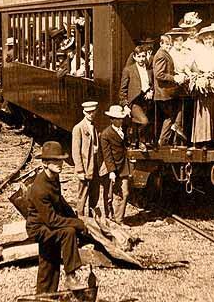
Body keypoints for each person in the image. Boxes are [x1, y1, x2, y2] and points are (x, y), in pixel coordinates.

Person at [26, 141, 89, 293]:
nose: (60, 163)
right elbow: (52, 220)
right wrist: (76, 224)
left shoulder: (53, 177)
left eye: (61, 160)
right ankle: (70, 275)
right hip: (39, 229)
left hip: (47, 225)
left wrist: (74, 217)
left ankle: (45, 295)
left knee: (49, 262)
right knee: (68, 232)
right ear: (45, 163)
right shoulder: (40, 188)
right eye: (55, 160)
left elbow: (60, 200)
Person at [99, 105, 130, 224]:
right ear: (111, 119)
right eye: (117, 119)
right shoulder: (106, 134)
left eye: (121, 118)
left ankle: (119, 219)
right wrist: (111, 171)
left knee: (125, 192)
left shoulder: (123, 130)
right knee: (112, 195)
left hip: (123, 166)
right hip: (113, 167)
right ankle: (109, 218)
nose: (120, 121)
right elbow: (107, 155)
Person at [153, 34, 186, 146]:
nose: (168, 47)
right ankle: (163, 140)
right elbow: (159, 74)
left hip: (166, 92)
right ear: (161, 43)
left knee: (173, 113)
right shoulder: (161, 55)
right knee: (170, 116)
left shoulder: (163, 54)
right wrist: (174, 78)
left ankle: (172, 131)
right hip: (164, 93)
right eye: (166, 44)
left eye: (169, 45)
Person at [120, 46, 154, 151]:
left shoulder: (149, 70)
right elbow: (122, 90)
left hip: (146, 102)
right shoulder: (128, 70)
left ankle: (137, 141)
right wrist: (125, 105)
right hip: (134, 102)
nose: (141, 59)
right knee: (144, 122)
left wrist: (151, 91)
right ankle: (139, 141)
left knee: (148, 123)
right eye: (139, 56)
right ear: (134, 57)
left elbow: (152, 85)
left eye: (143, 56)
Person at [72, 101, 101, 217]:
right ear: (84, 112)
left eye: (92, 112)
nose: (90, 114)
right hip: (85, 167)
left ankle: (91, 218)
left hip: (94, 166)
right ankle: (80, 217)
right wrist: (79, 170)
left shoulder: (95, 126)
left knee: (94, 193)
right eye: (88, 112)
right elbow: (75, 151)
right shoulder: (78, 128)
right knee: (83, 194)